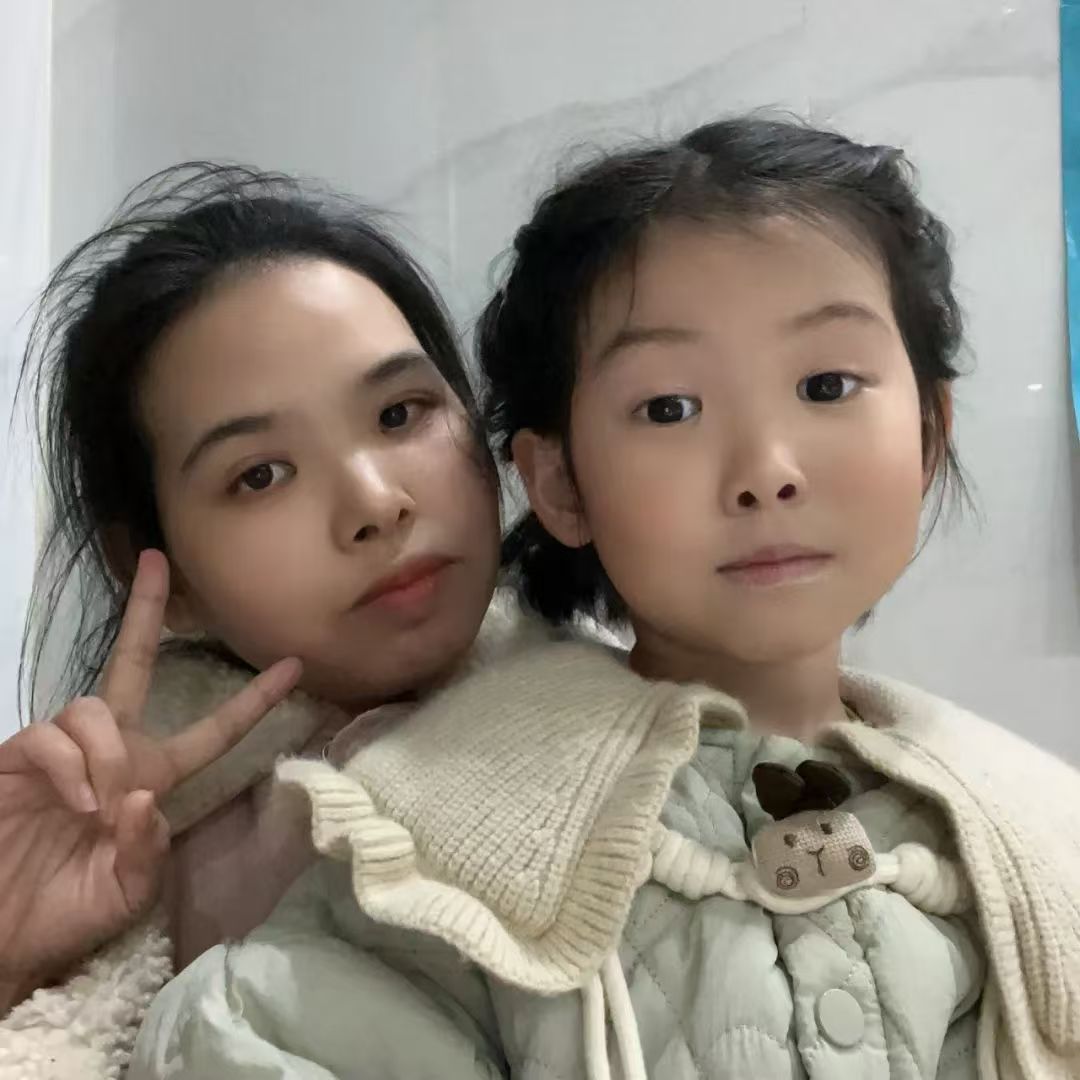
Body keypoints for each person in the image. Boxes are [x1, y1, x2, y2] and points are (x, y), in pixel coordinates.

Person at [130, 119, 1078, 1080]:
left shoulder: (1039, 830)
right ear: (559, 484)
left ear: (929, 432)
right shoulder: (431, 835)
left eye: (827, 384)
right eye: (669, 408)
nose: (767, 470)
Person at [0, 163, 519, 1077]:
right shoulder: (148, 851)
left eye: (401, 413)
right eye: (260, 475)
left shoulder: (650, 708)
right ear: (162, 572)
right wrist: (17, 958)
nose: (375, 503)